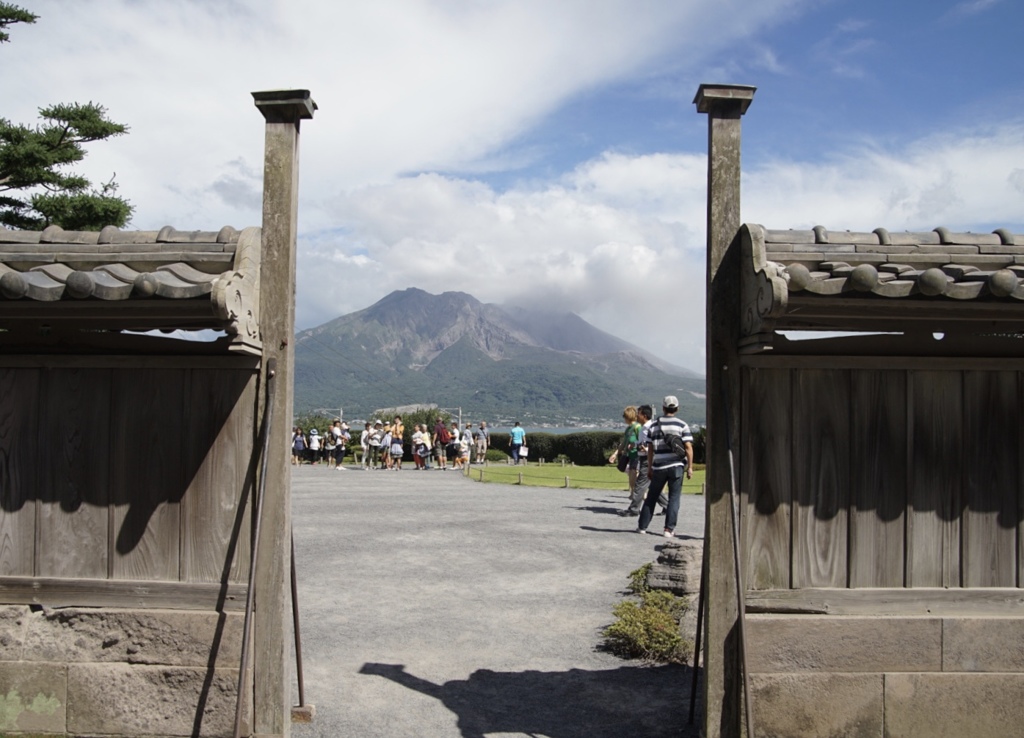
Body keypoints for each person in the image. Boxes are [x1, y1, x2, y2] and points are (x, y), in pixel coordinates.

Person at [637, 396, 693, 538]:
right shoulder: (682, 425)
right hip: (676, 466)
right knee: (674, 498)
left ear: (663, 408)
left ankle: (642, 526)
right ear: (677, 408)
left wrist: (649, 467)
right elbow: (688, 447)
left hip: (659, 466)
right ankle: (668, 529)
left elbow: (650, 449)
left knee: (652, 496)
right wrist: (690, 467)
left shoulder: (654, 426)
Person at [609, 406, 642, 510]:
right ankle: (634, 492)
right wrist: (615, 454)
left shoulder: (638, 427)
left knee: (633, 472)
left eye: (625, 416)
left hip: (637, 454)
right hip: (629, 455)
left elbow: (642, 440)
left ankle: (637, 493)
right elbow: (623, 443)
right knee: (631, 474)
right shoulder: (628, 429)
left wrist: (635, 445)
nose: (624, 419)